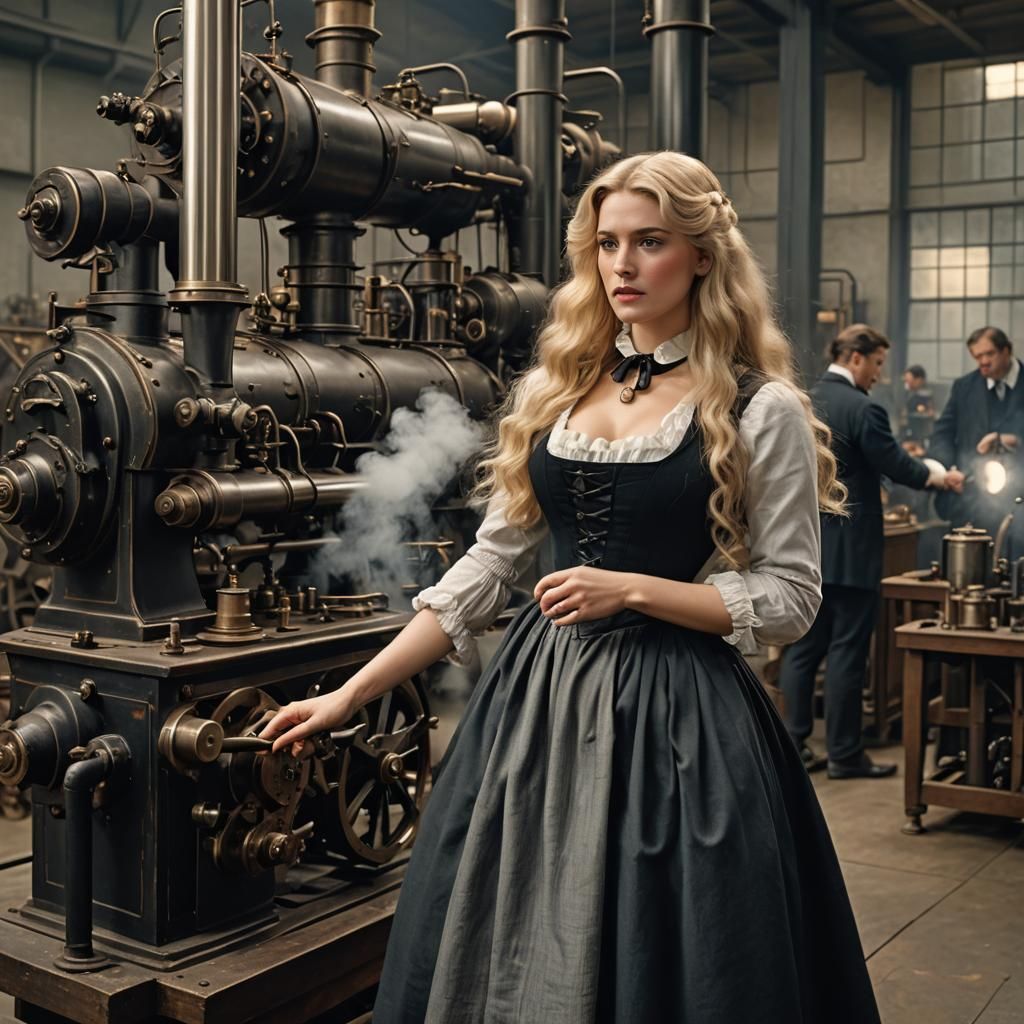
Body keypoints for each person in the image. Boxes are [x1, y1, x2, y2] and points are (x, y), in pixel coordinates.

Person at [262, 152, 882, 1023]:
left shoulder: (758, 406)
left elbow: (789, 598)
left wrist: (633, 590)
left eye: (650, 242)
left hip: (678, 718)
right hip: (536, 706)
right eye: (607, 243)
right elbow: (487, 569)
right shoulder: (558, 390)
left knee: (679, 950)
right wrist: (351, 694)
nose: (623, 264)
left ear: (703, 256)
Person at [779, 325, 963, 779]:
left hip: (807, 546)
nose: (879, 374)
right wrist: (937, 477)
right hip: (853, 551)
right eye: (878, 363)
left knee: (802, 650)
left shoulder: (800, 401)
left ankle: (792, 748)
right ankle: (844, 755)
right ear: (857, 357)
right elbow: (894, 464)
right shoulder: (863, 408)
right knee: (847, 652)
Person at [930, 326, 1024, 538]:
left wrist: (1014, 440)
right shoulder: (964, 387)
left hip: (1019, 500)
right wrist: (949, 470)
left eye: (989, 354)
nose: (983, 362)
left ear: (1007, 350)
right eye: (977, 356)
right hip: (971, 499)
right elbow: (942, 434)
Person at [901, 363, 935, 445]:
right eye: (906, 381)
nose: (907, 384)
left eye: (909, 381)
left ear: (919, 380)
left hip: (922, 434)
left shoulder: (926, 395)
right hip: (909, 432)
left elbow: (930, 414)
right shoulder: (909, 394)